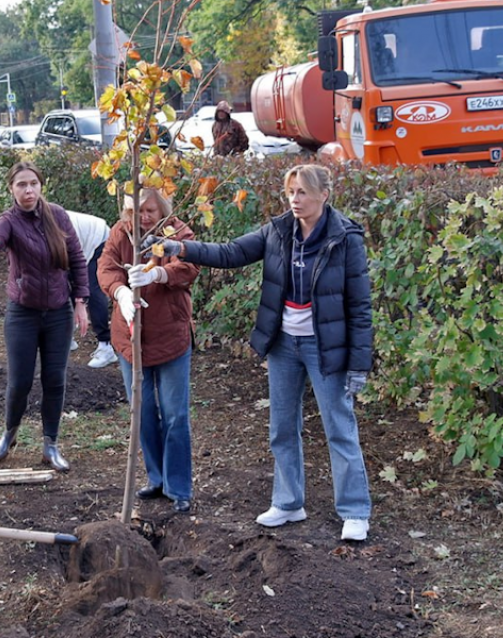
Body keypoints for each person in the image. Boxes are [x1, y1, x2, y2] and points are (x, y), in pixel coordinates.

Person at [142, 164, 373, 540]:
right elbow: (231, 252)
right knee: (282, 427)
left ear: (324, 195)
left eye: (302, 192)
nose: (295, 200)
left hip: (325, 347)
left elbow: (361, 306)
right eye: (290, 192)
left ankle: (354, 511)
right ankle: (288, 502)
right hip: (283, 344)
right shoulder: (278, 230)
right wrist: (179, 247)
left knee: (339, 428)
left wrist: (359, 364)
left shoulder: (345, 238)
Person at [0, 161, 89, 472]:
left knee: (55, 380)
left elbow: (77, 258)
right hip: (22, 313)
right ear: (12, 190)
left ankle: (50, 445)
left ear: (41, 186)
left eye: (33, 184)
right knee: (20, 381)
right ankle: (9, 433)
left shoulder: (57, 215)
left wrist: (80, 301)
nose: (28, 190)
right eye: (21, 185)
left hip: (58, 312)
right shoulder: (9, 221)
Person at [97, 188, 200, 513]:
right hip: (130, 339)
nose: (142, 218)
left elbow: (189, 267)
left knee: (175, 415)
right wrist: (121, 292)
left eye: (150, 211)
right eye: (136, 212)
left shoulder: (177, 232)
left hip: (170, 337)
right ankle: (155, 478)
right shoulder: (121, 232)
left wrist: (160, 273)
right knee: (142, 412)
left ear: (163, 209)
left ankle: (178, 486)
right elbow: (105, 266)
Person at [66, 210, 117, 368]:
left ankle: (106, 346)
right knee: (64, 285)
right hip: (81, 242)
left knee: (92, 290)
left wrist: (80, 299)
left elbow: (76, 262)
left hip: (98, 238)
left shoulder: (58, 225)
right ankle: (66, 337)